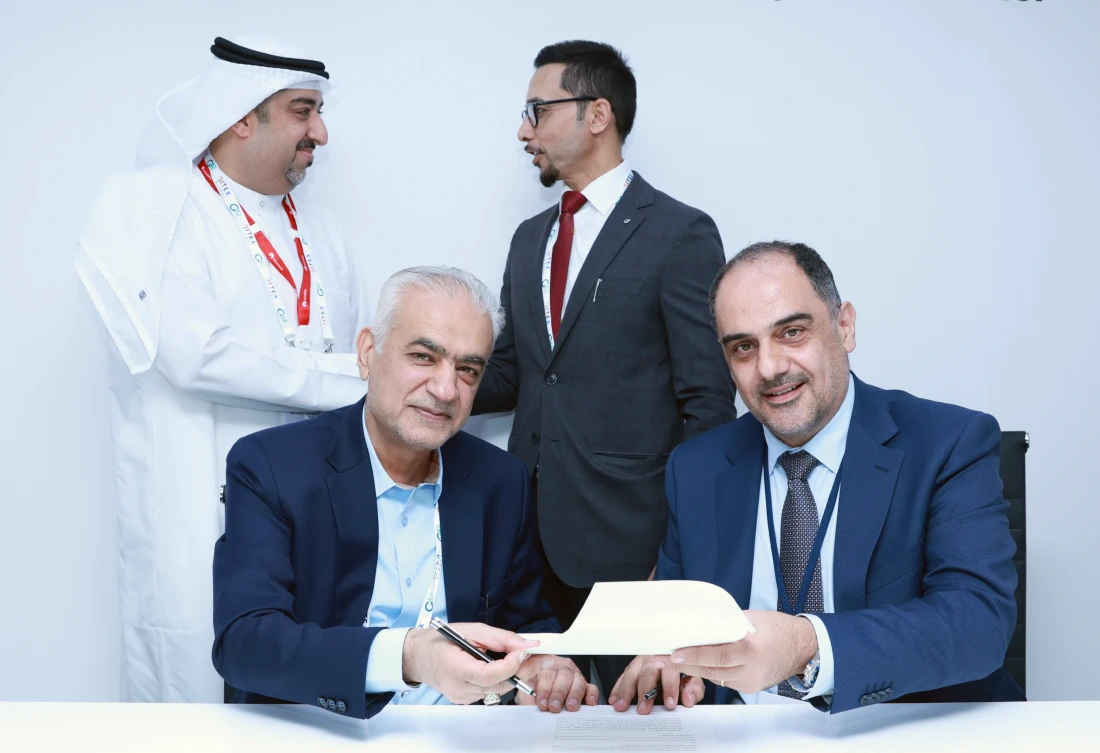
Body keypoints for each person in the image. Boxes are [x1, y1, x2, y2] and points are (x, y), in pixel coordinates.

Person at [74, 35, 370, 702]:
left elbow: (356, 365)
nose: (320, 132)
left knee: (316, 690)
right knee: (202, 700)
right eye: (302, 111)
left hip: (317, 513)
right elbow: (195, 354)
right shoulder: (157, 208)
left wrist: (360, 375)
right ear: (241, 115)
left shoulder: (324, 232)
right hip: (200, 510)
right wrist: (356, 375)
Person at [611, 241, 1023, 713]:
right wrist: (662, 655)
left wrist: (808, 645)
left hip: (898, 729)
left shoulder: (948, 442)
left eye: (791, 333)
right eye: (744, 347)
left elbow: (978, 623)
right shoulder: (695, 467)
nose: (769, 368)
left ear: (844, 327)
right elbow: (675, 621)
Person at [213, 267, 598, 719]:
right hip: (318, 731)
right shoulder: (271, 466)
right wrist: (410, 658)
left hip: (458, 737)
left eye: (468, 369)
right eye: (422, 356)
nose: (445, 389)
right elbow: (245, 642)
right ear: (368, 354)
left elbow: (528, 623)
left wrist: (547, 666)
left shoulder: (500, 480)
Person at [472, 40, 736, 692]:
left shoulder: (680, 234)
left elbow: (707, 402)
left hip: (633, 549)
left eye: (537, 110)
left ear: (597, 115)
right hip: (527, 544)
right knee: (532, 721)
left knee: (645, 724)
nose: (522, 129)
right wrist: (413, 375)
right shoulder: (529, 239)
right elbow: (516, 374)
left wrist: (680, 553)